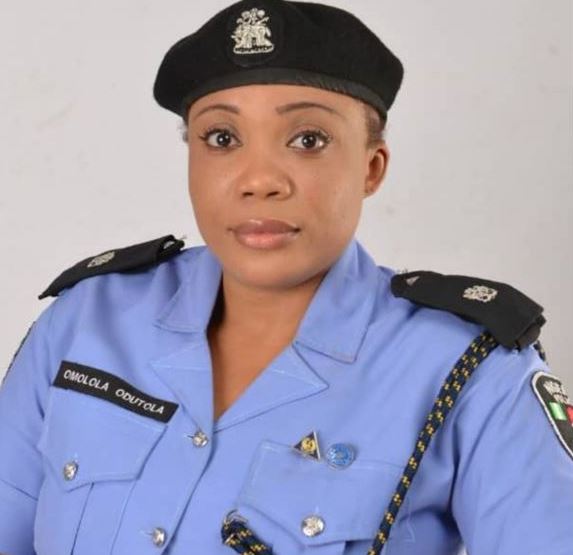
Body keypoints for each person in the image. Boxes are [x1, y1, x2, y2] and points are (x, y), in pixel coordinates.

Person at [1, 0, 572, 554]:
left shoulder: (470, 371)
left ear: (371, 167)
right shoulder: (86, 321)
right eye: (222, 139)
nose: (259, 180)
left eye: (308, 140)